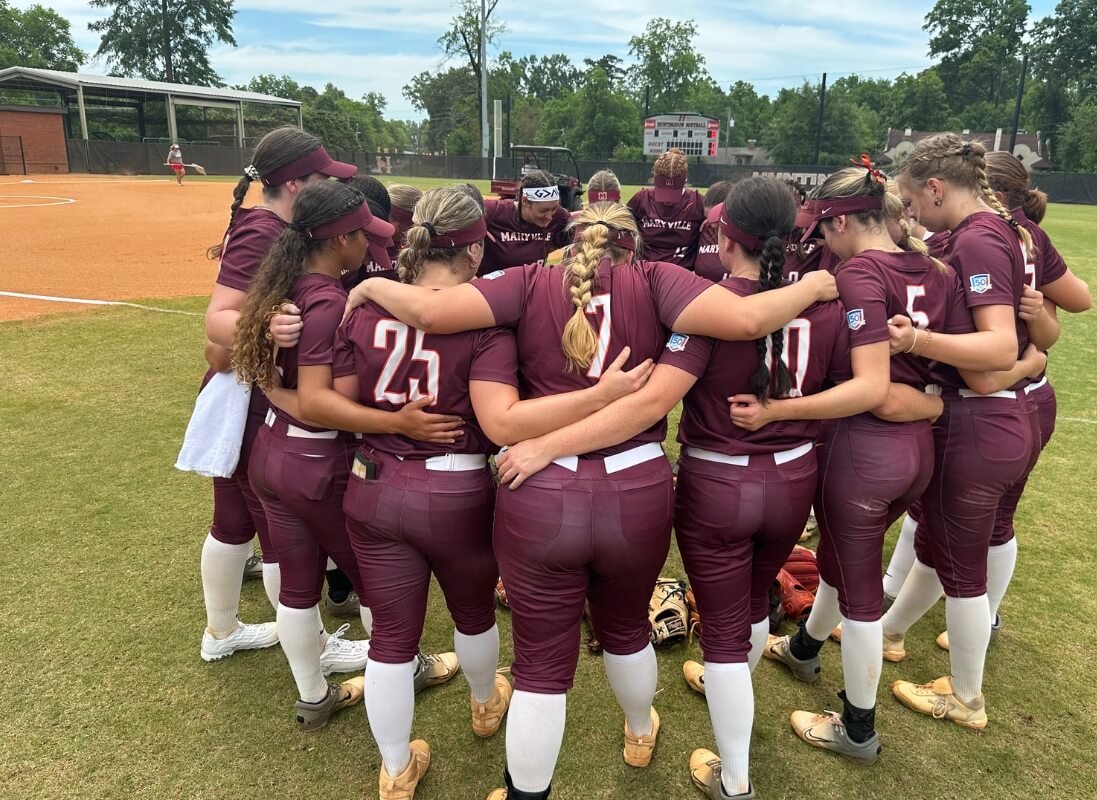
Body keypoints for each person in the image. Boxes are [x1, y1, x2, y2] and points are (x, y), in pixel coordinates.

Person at [337, 200, 837, 800]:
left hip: (540, 492)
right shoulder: (658, 279)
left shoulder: (528, 279)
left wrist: (370, 283)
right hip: (636, 487)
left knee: (541, 669)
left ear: (569, 242)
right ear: (632, 244)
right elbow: (749, 319)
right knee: (627, 631)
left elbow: (434, 311)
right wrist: (812, 283)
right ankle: (637, 729)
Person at [522, 176, 851, 799]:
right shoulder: (825, 300)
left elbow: (653, 400)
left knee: (725, 633)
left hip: (720, 480)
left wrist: (546, 444)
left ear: (726, 238)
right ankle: (735, 697)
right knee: (753, 605)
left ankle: (737, 781)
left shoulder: (707, 305)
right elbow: (848, 391)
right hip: (794, 475)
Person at [330, 187, 654, 800]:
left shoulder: (368, 307)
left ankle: (396, 769)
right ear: (475, 251)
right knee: (474, 614)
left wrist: (393, 420)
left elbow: (343, 403)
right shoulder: (486, 319)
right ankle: (484, 704)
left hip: (374, 480)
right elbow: (502, 419)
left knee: (391, 637)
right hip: (456, 486)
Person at [875, 132, 1044, 730]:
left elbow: (998, 345)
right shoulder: (1000, 231)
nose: (913, 210)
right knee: (938, 543)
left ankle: (967, 697)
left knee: (963, 569)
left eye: (914, 198)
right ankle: (891, 632)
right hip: (994, 415)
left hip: (977, 418)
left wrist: (915, 340)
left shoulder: (978, 239)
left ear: (937, 186)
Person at [230, 180, 401, 730]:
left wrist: (277, 393)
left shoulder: (286, 289)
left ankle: (312, 694)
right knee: (375, 578)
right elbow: (327, 405)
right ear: (340, 240)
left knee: (299, 584)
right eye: (363, 237)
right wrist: (397, 421)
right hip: (317, 463)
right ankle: (398, 671)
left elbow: (281, 385)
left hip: (272, 452)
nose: (369, 247)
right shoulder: (326, 300)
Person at [198, 126, 356, 664]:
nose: (328, 186)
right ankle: (312, 650)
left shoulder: (264, 225)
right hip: (250, 399)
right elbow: (217, 322)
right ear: (294, 185)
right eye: (321, 179)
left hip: (242, 390)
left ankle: (222, 633)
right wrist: (265, 322)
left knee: (234, 519)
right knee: (271, 533)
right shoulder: (266, 230)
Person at [480, 170, 572, 275]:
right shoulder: (494, 212)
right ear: (524, 201)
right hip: (492, 288)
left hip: (530, 289)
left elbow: (583, 236)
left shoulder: (559, 217)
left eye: (554, 209)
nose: (549, 216)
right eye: (543, 211)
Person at [627, 148, 705, 270]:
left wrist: (711, 220)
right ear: (654, 178)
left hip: (683, 277)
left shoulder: (697, 203)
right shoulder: (641, 199)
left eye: (674, 192)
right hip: (645, 274)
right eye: (663, 191)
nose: (667, 200)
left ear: (685, 180)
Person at [693, 180, 734, 282]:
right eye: (708, 217)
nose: (712, 224)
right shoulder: (704, 228)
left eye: (715, 217)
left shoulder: (743, 236)